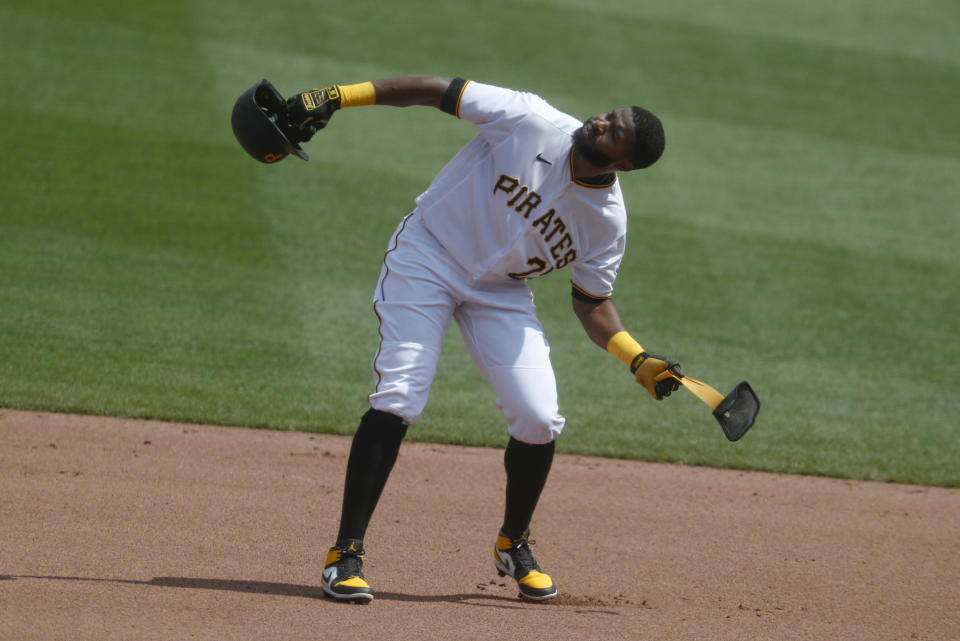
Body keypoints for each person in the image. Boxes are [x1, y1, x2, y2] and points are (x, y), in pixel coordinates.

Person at [283, 76, 682, 603]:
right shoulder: (530, 119)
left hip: (501, 293)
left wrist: (636, 358)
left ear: (623, 163)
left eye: (615, 132)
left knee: (538, 418)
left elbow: (591, 304)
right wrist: (336, 95)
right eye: (610, 114)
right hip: (428, 255)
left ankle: (513, 541)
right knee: (400, 396)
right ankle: (345, 554)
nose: (602, 121)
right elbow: (432, 89)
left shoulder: (606, 221)